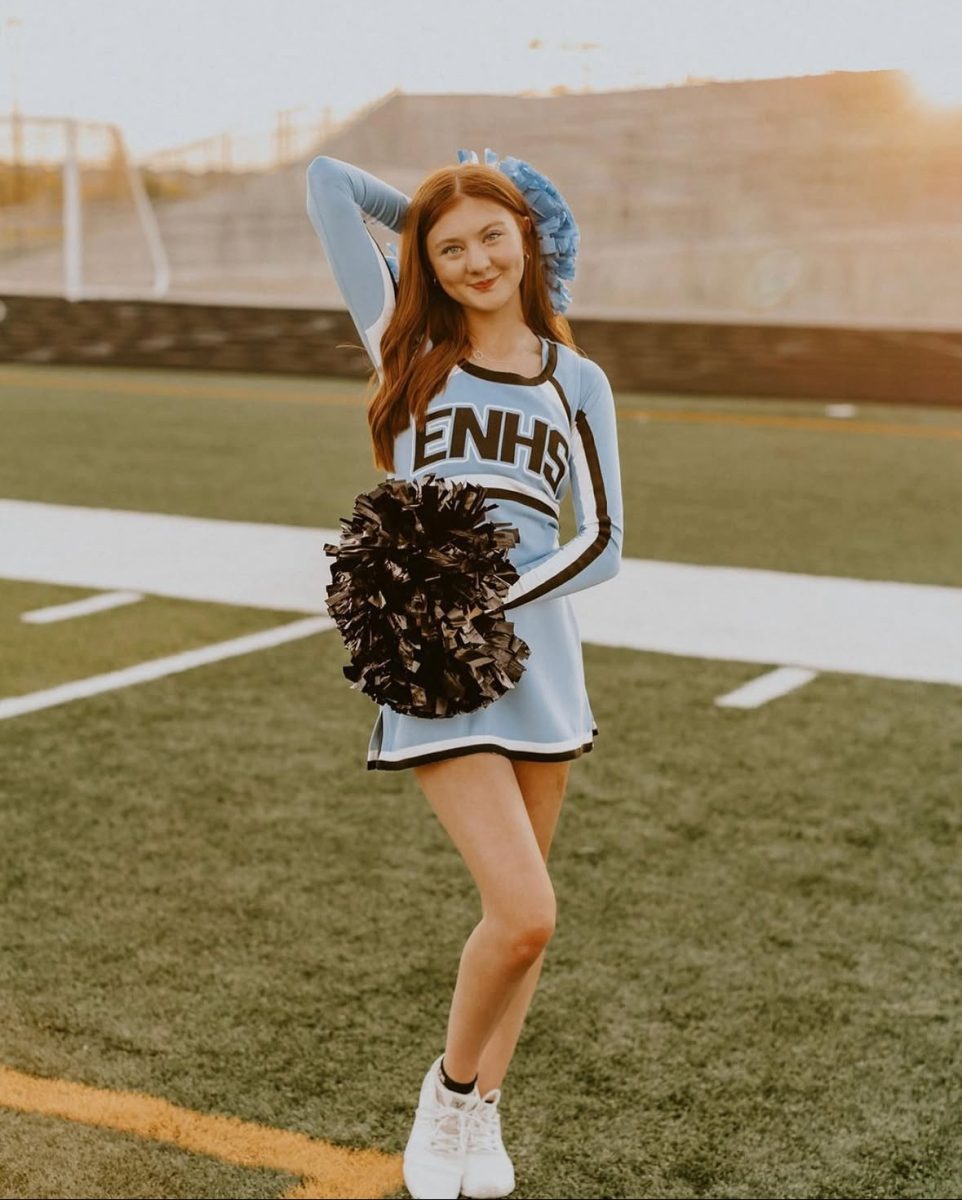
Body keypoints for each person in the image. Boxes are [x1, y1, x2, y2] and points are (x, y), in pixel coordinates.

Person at [306, 147, 624, 1200]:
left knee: (522, 925)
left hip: (535, 651)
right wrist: (435, 210)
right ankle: (445, 1092)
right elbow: (324, 181)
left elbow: (606, 539)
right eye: (449, 250)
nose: (474, 259)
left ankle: (478, 1117)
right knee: (525, 907)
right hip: (427, 653)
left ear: (531, 237)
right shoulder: (409, 345)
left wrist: (496, 604)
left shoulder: (571, 376)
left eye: (494, 235)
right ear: (425, 268)